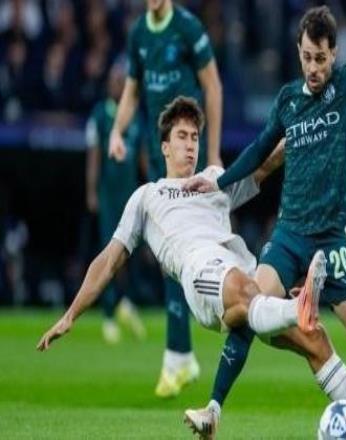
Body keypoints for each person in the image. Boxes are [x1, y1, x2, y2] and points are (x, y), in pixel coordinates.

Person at [184, 2, 346, 439]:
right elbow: (260, 149)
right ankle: (212, 410)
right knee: (248, 309)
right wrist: (219, 182)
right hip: (289, 236)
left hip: (331, 242)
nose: (314, 67)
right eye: (307, 57)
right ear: (299, 52)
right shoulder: (288, 100)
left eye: (321, 58)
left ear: (334, 54)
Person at [37, 95, 325, 383]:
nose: (190, 145)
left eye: (195, 137)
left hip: (240, 268)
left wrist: (303, 130)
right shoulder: (147, 196)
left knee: (314, 339)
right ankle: (295, 307)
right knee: (249, 291)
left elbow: (264, 165)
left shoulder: (213, 179)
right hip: (202, 274)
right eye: (182, 136)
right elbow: (108, 261)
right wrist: (70, 315)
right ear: (165, 147)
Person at [108, 0, 223, 398]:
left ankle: (182, 354)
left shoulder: (188, 28)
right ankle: (180, 354)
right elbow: (131, 91)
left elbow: (213, 86)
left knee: (182, 248)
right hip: (161, 157)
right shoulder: (139, 34)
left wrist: (213, 154)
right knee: (171, 253)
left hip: (188, 156)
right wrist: (117, 131)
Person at [85, 59, 146, 344]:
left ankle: (126, 303)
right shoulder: (100, 115)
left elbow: (143, 157)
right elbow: (94, 155)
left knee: (131, 254)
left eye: (121, 81)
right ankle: (109, 313)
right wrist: (91, 191)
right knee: (109, 253)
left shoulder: (136, 116)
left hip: (130, 195)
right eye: (113, 80)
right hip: (109, 195)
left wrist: (155, 188)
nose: (116, 85)